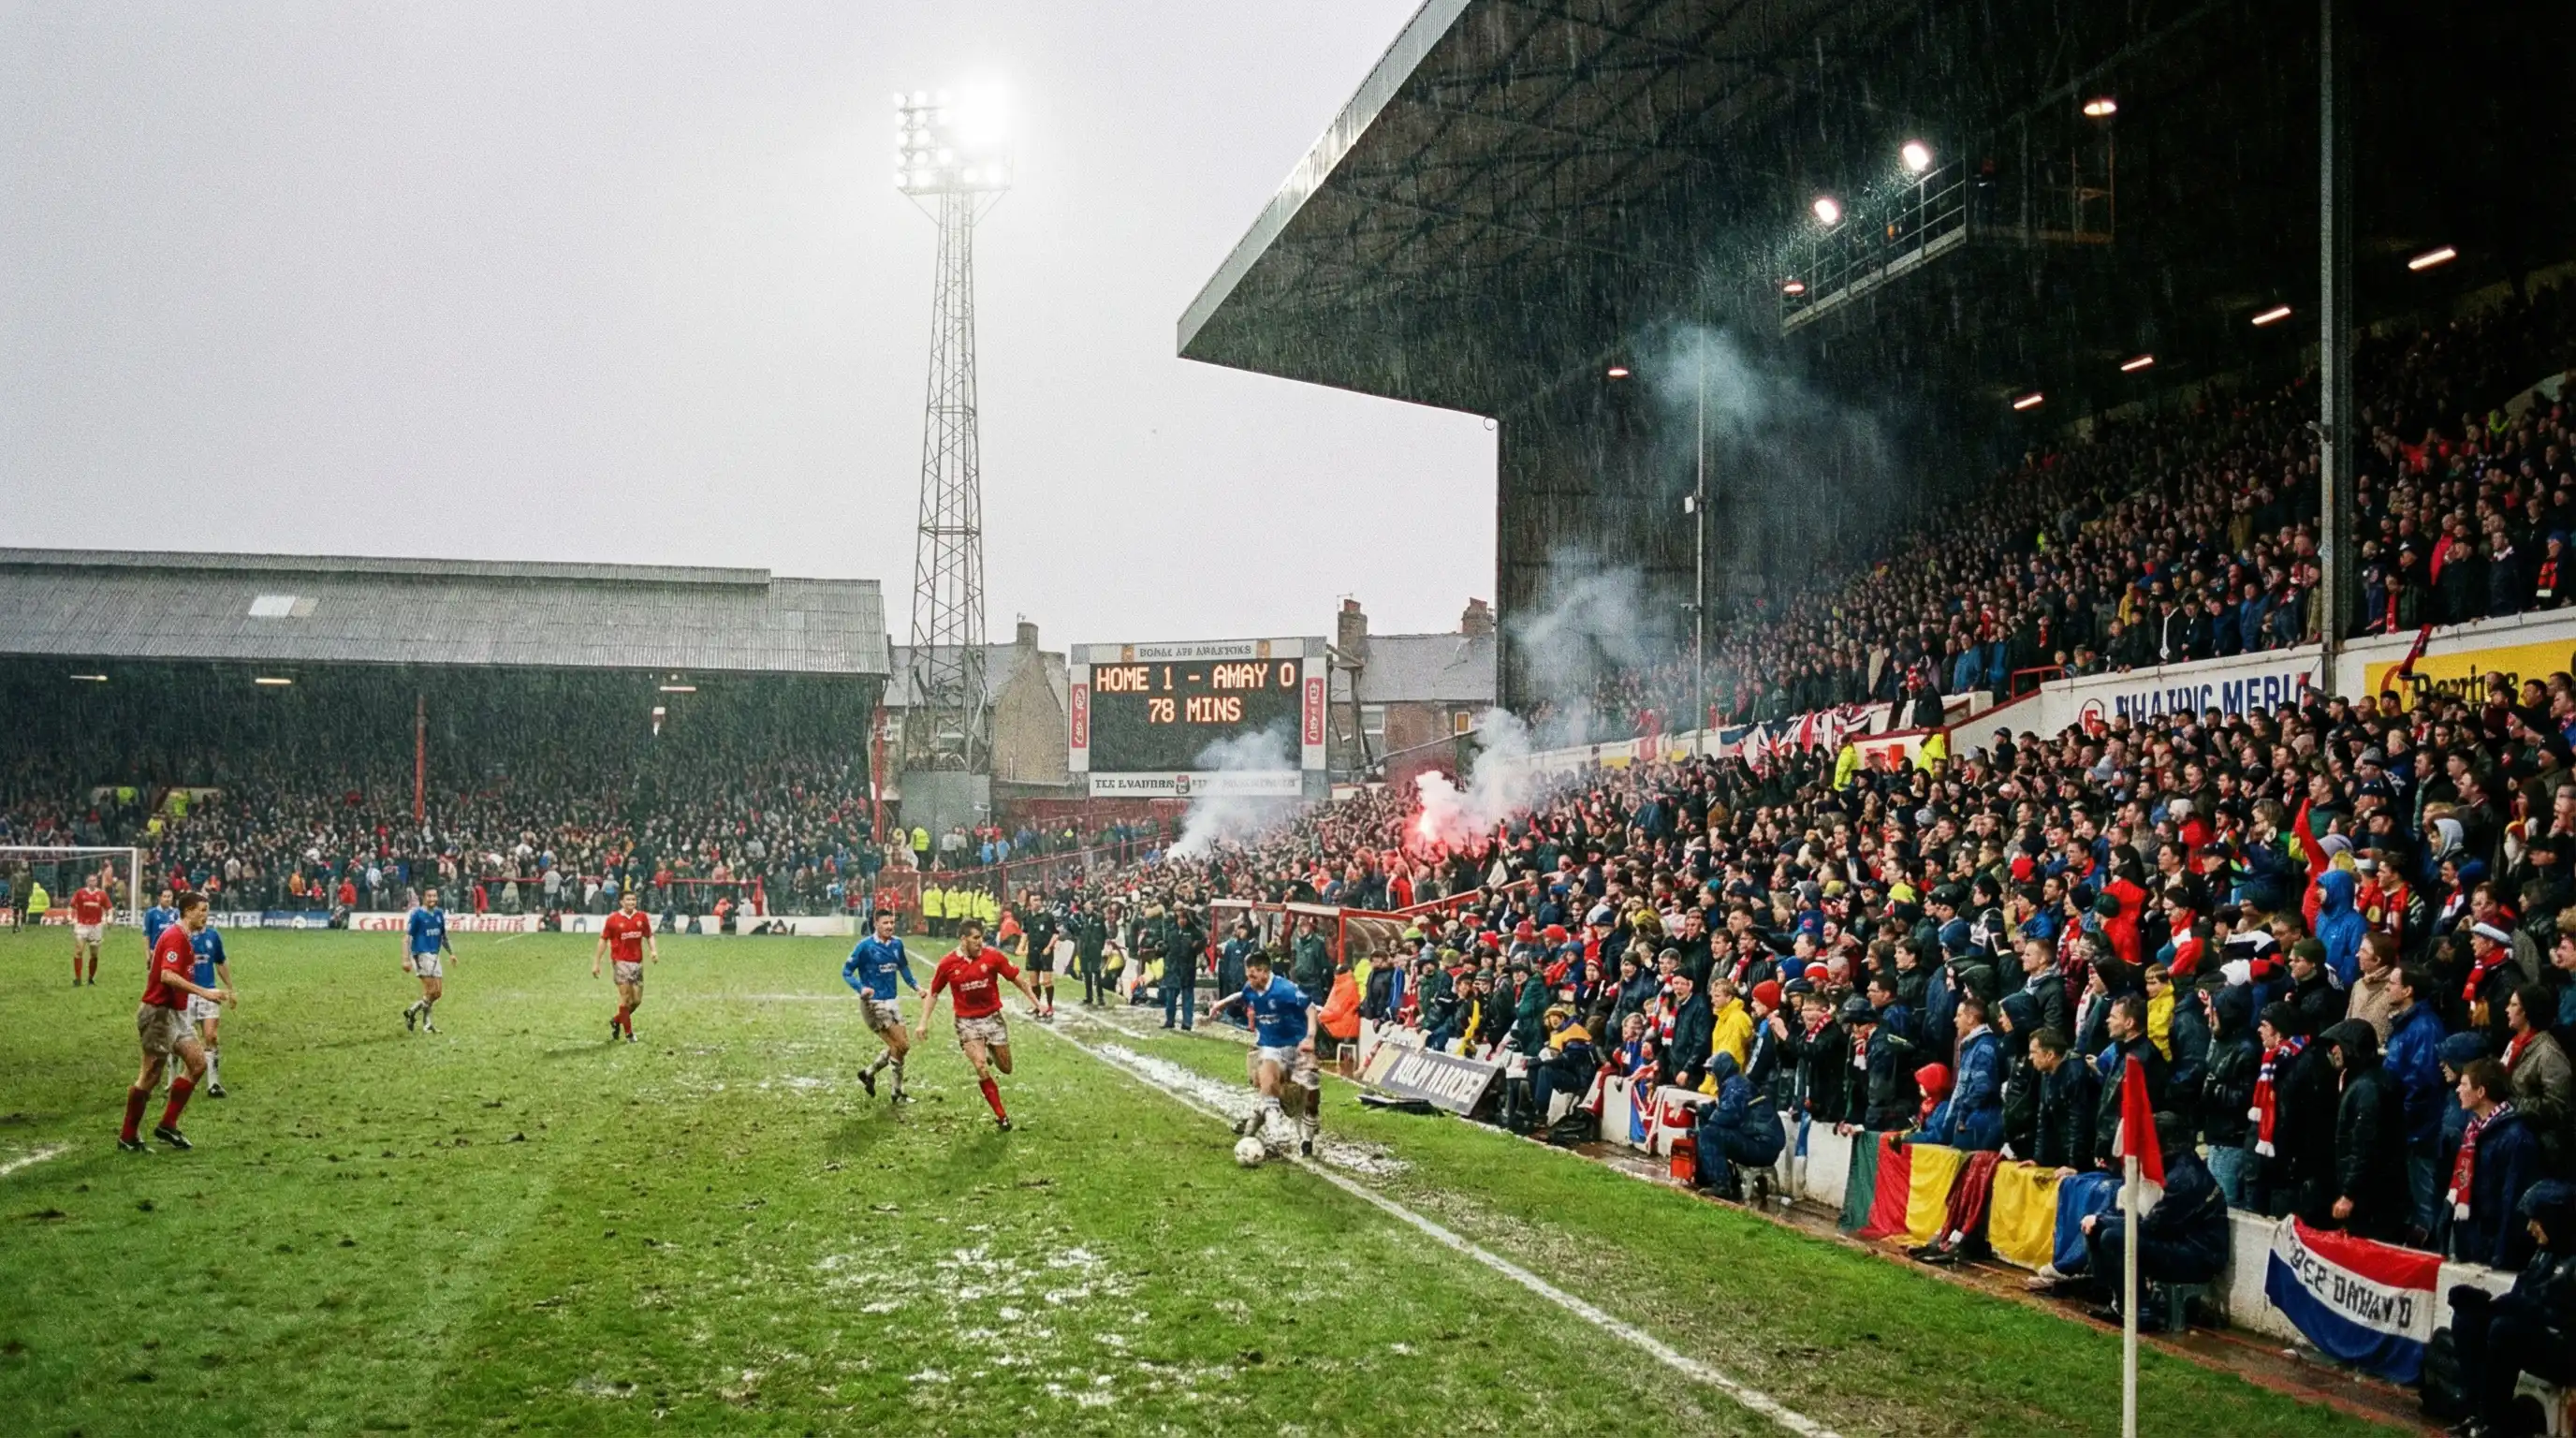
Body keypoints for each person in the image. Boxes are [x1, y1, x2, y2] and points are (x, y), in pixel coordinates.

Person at [2443, 1181, 2576, 1438]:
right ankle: (2478, 1414)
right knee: (2467, 1320)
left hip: (2566, 1348)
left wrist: (2513, 1308)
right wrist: (2484, 1304)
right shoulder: (2545, 1253)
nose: (2530, 1228)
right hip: (2539, 1334)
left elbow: (2558, 1316)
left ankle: (2496, 1422)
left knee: (2505, 1330)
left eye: (2536, 1219)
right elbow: (2521, 1297)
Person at [2076, 1113, 2230, 1331]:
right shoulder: (2174, 1166)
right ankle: (2116, 1302)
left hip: (2199, 1255)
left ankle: (2141, 1311)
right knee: (2101, 1229)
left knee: (2112, 1236)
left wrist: (2103, 1221)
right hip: (2180, 1242)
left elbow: (2153, 1226)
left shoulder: (2184, 1177)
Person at [121, 893, 232, 1152]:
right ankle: (128, 1135)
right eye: (202, 910)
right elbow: (167, 975)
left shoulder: (185, 938)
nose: (206, 915)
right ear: (189, 911)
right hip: (158, 1013)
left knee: (197, 1062)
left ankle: (167, 1125)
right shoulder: (175, 937)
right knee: (150, 1075)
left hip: (176, 1013)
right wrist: (204, 992)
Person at [915, 918, 1039, 1132]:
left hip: (992, 1018)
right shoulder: (948, 964)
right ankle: (1002, 1117)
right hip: (967, 1022)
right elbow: (934, 993)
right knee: (981, 1066)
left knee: (1006, 1068)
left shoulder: (993, 957)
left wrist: (1038, 1003)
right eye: (975, 939)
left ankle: (990, 1049)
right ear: (963, 940)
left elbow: (1018, 980)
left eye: (981, 938)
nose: (980, 943)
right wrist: (923, 1022)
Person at [1208, 951, 1322, 1156]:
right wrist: (1221, 1004)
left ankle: (1307, 1136)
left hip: (1296, 1047)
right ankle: (1275, 1135)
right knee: (1268, 1084)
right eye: (1247, 975)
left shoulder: (1285, 989)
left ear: (1264, 971)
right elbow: (1242, 995)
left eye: (1252, 975)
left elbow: (1311, 1008)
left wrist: (1311, 1037)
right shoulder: (1251, 988)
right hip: (1270, 1046)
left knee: (1308, 1097)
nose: (1249, 980)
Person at [2449, 1058, 2543, 1270]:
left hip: (2492, 1249)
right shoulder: (2473, 1130)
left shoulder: (2516, 1137)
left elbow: (2513, 1202)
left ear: (2481, 1091)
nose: (2458, 1090)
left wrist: (2501, 1256)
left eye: (2463, 1084)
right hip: (2470, 1240)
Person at [842, 909, 919, 1102]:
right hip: (873, 1004)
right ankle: (897, 1092)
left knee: (902, 1047)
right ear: (876, 924)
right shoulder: (865, 946)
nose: (890, 926)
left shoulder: (897, 944)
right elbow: (846, 972)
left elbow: (903, 967)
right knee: (900, 1044)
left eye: (892, 922)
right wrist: (861, 988)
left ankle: (869, 1073)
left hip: (892, 1001)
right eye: (885, 923)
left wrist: (916, 986)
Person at [592, 888, 656, 1043]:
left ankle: (616, 1020)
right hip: (620, 962)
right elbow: (603, 940)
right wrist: (596, 962)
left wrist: (653, 951)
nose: (631, 902)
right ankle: (629, 1035)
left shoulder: (641, 917)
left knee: (636, 1001)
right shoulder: (613, 919)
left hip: (637, 963)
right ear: (621, 902)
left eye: (633, 900)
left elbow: (649, 935)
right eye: (628, 900)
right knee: (626, 998)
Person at [186, 912, 234, 1098]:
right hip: (186, 993)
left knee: (211, 1036)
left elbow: (220, 962)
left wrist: (230, 988)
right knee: (180, 1040)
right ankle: (172, 1081)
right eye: (200, 911)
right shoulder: (182, 935)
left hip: (210, 992)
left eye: (206, 911)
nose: (203, 915)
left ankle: (213, 1084)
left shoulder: (213, 936)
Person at [402, 886, 453, 1033]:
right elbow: (407, 938)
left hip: (434, 956)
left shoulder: (438, 914)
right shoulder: (417, 914)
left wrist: (451, 953)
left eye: (434, 896)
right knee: (430, 989)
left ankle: (412, 1012)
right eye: (429, 896)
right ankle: (426, 1023)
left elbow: (443, 936)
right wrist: (405, 959)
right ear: (424, 897)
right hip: (421, 954)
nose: (432, 899)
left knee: (437, 993)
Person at [69, 872, 110, 986]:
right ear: (87, 882)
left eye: (95, 880)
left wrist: (110, 916)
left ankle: (90, 979)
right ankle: (77, 979)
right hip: (82, 925)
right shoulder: (80, 893)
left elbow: (109, 907)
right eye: (91, 880)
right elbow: (72, 905)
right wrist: (72, 917)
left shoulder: (101, 894)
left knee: (94, 954)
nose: (93, 882)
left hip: (96, 926)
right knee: (79, 951)